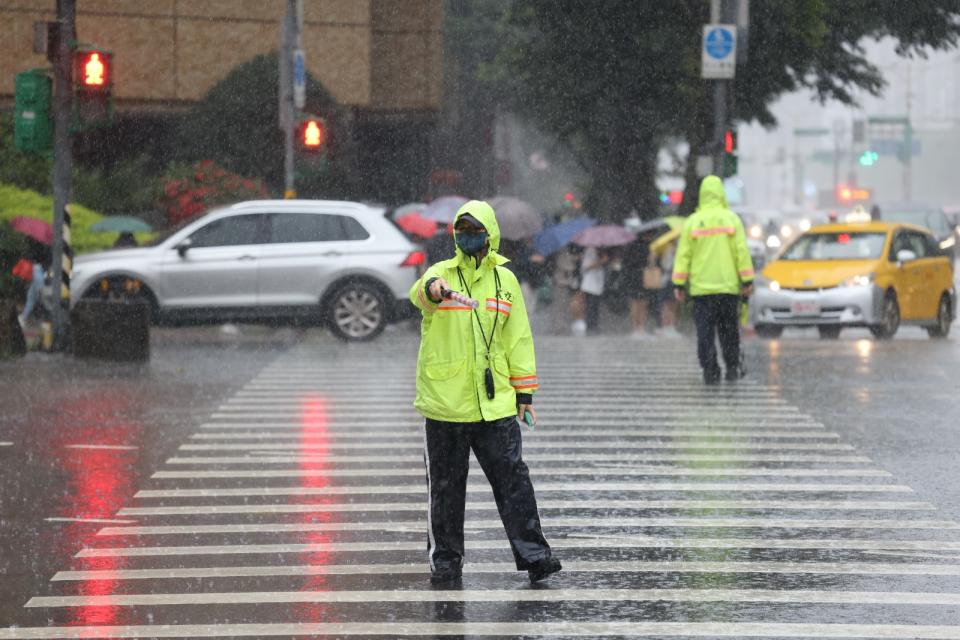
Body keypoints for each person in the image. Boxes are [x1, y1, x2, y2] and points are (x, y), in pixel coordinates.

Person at [409, 199, 561, 585]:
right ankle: (445, 560)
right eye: (462, 230)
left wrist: (525, 394)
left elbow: (519, 339)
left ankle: (535, 555)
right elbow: (419, 294)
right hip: (446, 404)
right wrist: (435, 290)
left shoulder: (506, 281)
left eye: (475, 230)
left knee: (513, 481)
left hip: (496, 405)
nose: (468, 237)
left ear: (490, 235)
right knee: (444, 489)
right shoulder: (441, 273)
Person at [672, 175, 755, 384]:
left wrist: (679, 283)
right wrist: (747, 280)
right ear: (721, 194)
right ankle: (732, 367)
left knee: (705, 333)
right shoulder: (731, 219)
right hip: (727, 288)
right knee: (729, 331)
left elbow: (683, 256)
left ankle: (710, 369)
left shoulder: (693, 222)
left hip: (702, 290)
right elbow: (741, 253)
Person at [571, 246, 608, 335]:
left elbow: (604, 260)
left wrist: (591, 266)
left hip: (595, 280)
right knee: (589, 304)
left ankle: (592, 325)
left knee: (593, 304)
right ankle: (590, 325)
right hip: (587, 280)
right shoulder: (586, 249)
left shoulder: (600, 250)